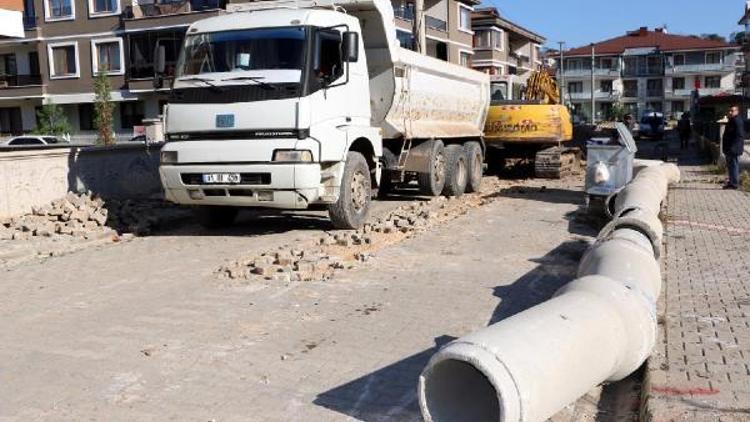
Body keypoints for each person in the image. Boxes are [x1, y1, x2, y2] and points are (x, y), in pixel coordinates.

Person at [722, 105, 745, 190]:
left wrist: (733, 148)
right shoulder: (732, 120)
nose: (730, 112)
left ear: (737, 111)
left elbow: (739, 136)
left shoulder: (737, 121)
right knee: (730, 166)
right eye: (729, 111)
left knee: (734, 166)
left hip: (734, 148)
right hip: (730, 148)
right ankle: (731, 182)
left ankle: (734, 184)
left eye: (732, 111)